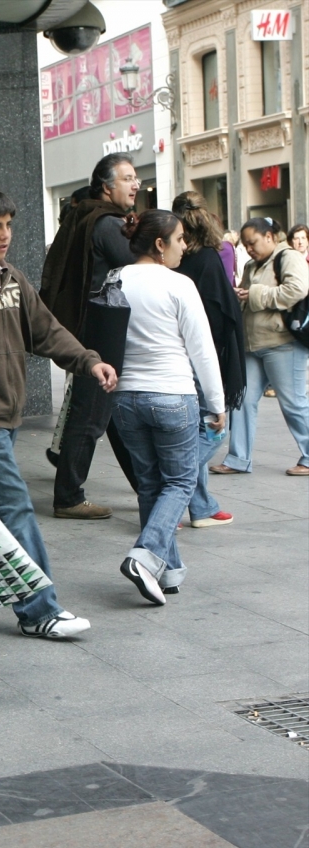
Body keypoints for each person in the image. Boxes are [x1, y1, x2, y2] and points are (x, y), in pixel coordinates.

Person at [0, 187, 118, 640]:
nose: (5, 235)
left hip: (8, 420)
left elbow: (47, 331)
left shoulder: (13, 280)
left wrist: (89, 361)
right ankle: (39, 611)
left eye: (9, 225)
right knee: (14, 509)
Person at [114, 210, 225, 604]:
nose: (184, 246)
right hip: (173, 394)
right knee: (180, 482)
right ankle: (144, 556)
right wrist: (218, 403)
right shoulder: (179, 284)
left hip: (126, 397)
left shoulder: (115, 279)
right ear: (159, 245)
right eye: (179, 239)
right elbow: (202, 349)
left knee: (150, 484)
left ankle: (169, 570)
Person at [39, 153, 140, 519]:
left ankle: (148, 487)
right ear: (106, 186)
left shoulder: (87, 215)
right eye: (127, 178)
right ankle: (68, 496)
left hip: (89, 327)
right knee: (91, 416)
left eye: (135, 178)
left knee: (107, 416)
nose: (135, 184)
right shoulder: (108, 223)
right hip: (101, 329)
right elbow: (141, 262)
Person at [210, 217, 309, 477]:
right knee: (241, 401)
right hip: (253, 345)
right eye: (245, 244)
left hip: (283, 343)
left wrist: (254, 294)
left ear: (269, 237)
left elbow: (297, 289)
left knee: (294, 404)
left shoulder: (288, 257)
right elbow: (249, 296)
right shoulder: (253, 265)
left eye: (252, 243)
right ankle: (238, 459)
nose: (249, 249)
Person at [170, 192, 246, 527]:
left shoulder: (178, 262)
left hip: (183, 356)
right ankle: (172, 486)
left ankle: (200, 505)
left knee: (198, 428)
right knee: (212, 430)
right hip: (202, 358)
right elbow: (219, 316)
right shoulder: (208, 260)